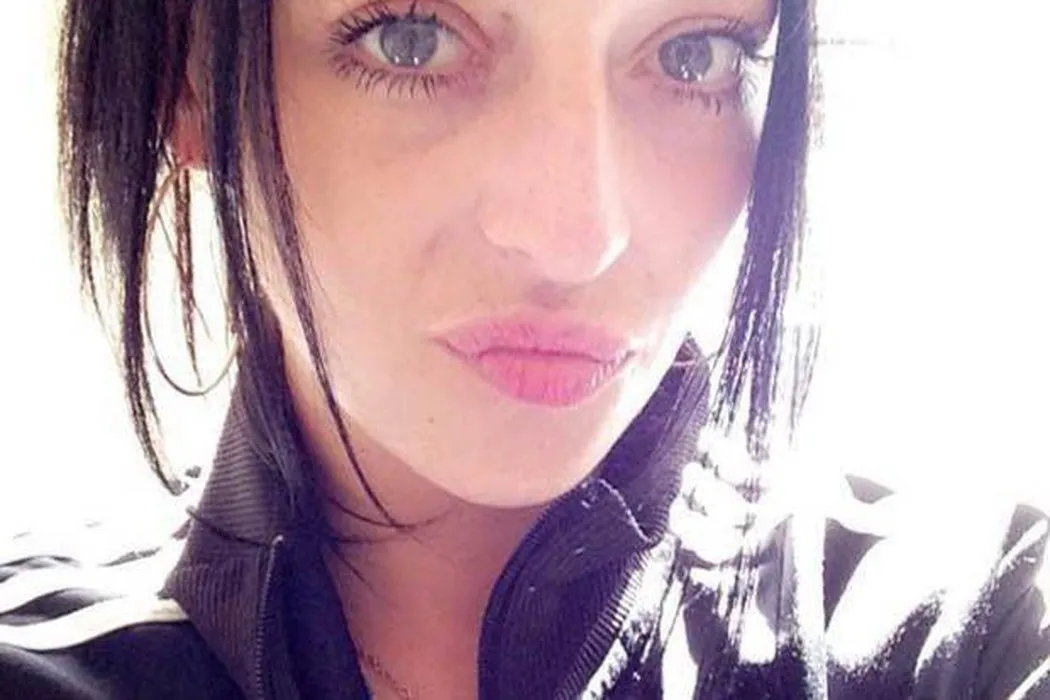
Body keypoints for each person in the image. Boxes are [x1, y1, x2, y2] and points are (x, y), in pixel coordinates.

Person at [1, 0, 1047, 698]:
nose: (577, 234)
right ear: (188, 75)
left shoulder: (959, 625)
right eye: (412, 38)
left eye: (694, 53)